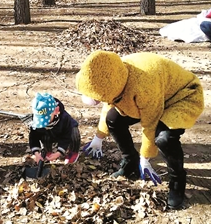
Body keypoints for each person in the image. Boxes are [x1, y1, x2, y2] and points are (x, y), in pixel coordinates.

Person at [76, 50, 204, 209]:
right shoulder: (112, 74)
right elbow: (109, 103)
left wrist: (146, 157)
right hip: (147, 98)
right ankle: (130, 162)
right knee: (113, 119)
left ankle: (177, 181)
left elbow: (150, 122)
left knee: (164, 138)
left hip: (180, 97)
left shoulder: (144, 83)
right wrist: (99, 137)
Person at [29, 93, 81, 165]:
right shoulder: (35, 121)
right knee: (44, 134)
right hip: (49, 134)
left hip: (63, 132)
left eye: (46, 119)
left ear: (56, 111)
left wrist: (58, 153)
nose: (44, 123)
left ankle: (73, 152)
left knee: (74, 132)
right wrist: (36, 153)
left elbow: (66, 136)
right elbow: (33, 136)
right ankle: (48, 151)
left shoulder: (64, 119)